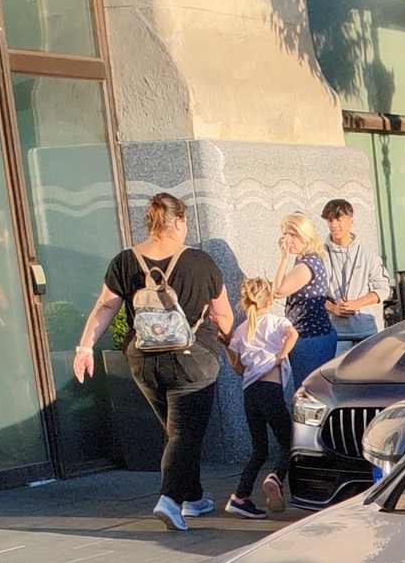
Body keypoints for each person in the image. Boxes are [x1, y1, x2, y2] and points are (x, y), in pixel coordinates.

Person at [75, 191, 233, 531]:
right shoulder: (201, 262)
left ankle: (193, 497)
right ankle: (170, 499)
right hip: (193, 361)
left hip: (145, 361)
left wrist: (84, 347)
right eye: (185, 221)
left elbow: (106, 306)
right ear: (177, 222)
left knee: (176, 431)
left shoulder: (125, 261)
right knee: (184, 433)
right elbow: (224, 316)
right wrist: (235, 346)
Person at [225, 277, 294, 519]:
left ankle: (240, 497)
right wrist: (279, 357)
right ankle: (277, 476)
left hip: (250, 394)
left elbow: (238, 368)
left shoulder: (242, 330)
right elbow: (293, 334)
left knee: (259, 449)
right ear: (271, 299)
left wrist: (226, 344)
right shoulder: (277, 321)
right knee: (289, 442)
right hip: (271, 391)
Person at [270, 210, 340, 446]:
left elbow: (278, 290)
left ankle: (312, 445)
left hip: (311, 338)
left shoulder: (307, 262)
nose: (288, 240)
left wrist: (282, 257)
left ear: (305, 235)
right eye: (285, 234)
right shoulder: (308, 259)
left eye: (293, 234)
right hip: (313, 335)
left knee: (309, 396)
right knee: (312, 394)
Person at [316, 198, 391, 353]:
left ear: (351, 221)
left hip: (366, 334)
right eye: (329, 220)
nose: (334, 225)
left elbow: (383, 288)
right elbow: (312, 293)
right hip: (335, 335)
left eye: (338, 219)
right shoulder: (319, 256)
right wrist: (333, 307)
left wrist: (359, 302)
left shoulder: (367, 254)